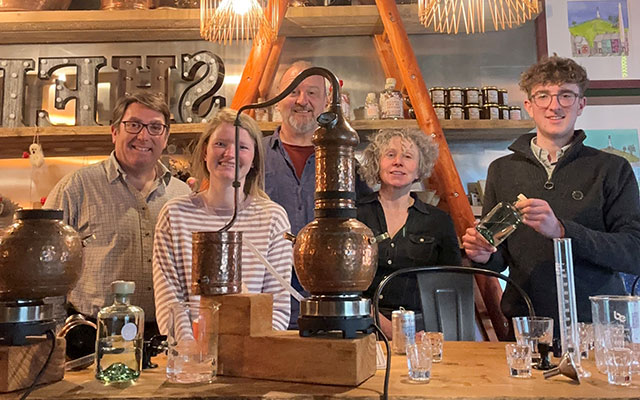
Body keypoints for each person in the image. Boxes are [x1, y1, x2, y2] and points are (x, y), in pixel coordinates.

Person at [461, 55, 640, 336]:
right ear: (529, 106)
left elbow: (633, 252)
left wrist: (562, 230)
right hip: (526, 323)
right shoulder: (502, 170)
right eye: (543, 95)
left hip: (598, 327)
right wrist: (482, 254)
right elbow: (500, 256)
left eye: (566, 95)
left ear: (581, 104)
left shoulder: (611, 169)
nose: (554, 105)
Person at [44, 92, 191, 338]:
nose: (143, 136)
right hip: (94, 337)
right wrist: (60, 333)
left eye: (155, 127)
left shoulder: (183, 194)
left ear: (165, 138)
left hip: (165, 338)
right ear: (114, 132)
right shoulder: (76, 188)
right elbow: (46, 267)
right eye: (133, 125)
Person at [153, 108, 292, 333]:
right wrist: (193, 356)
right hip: (189, 359)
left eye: (242, 147)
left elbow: (277, 309)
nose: (230, 153)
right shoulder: (175, 215)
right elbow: (170, 303)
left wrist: (250, 352)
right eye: (220, 144)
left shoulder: (273, 218)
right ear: (205, 152)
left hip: (252, 357)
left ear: (254, 158)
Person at [264, 60, 372, 329]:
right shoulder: (252, 156)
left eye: (312, 93)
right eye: (292, 92)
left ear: (326, 102)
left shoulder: (346, 162)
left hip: (332, 309)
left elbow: (369, 219)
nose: (302, 101)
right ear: (277, 101)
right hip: (267, 303)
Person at [357, 128, 462, 337]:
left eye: (407, 156)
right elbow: (342, 284)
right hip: (362, 326)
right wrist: (392, 330)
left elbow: (450, 287)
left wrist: (431, 334)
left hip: (422, 331)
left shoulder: (438, 221)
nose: (398, 162)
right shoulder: (355, 216)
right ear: (377, 163)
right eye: (390, 155)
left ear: (419, 168)